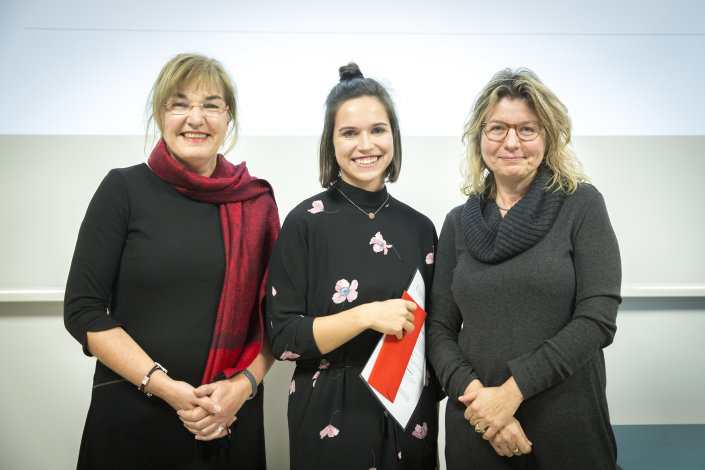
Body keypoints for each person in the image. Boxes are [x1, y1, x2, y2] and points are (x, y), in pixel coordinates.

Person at [64, 53, 280, 469]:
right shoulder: (123, 190)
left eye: (211, 105)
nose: (195, 118)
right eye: (179, 103)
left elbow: (277, 319)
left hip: (228, 421)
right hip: (134, 420)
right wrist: (166, 388)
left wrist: (242, 386)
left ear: (228, 118)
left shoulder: (256, 203)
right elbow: (83, 310)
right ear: (160, 113)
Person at [427, 68, 621, 470]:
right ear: (479, 137)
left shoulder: (581, 205)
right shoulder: (456, 223)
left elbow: (597, 318)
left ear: (547, 137)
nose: (511, 142)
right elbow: (439, 329)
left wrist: (511, 394)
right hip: (475, 424)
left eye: (527, 129)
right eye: (497, 128)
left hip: (567, 426)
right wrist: (484, 405)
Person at [265, 63, 441, 470]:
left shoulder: (420, 228)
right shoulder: (305, 222)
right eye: (349, 133)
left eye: (378, 130)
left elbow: (436, 332)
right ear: (331, 143)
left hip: (410, 412)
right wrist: (364, 315)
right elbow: (283, 337)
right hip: (330, 411)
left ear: (394, 137)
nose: (366, 144)